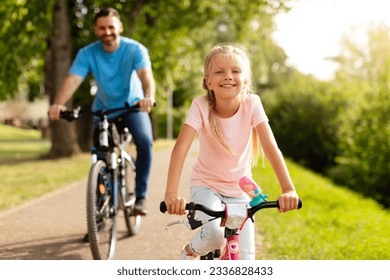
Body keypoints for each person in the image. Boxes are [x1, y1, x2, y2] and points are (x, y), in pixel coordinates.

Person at [163, 43, 299, 260]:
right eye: (219, 71)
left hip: (240, 190)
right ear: (208, 82)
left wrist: (288, 189)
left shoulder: (252, 104)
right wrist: (171, 194)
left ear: (245, 80)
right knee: (215, 236)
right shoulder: (200, 106)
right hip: (206, 186)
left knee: (246, 259)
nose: (228, 76)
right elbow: (181, 148)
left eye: (235, 71)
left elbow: (270, 147)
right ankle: (190, 251)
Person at [48, 7, 155, 215]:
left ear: (120, 27)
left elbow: (146, 75)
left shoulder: (135, 49)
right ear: (96, 30)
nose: (107, 32)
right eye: (102, 28)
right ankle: (100, 213)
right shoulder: (87, 53)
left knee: (144, 140)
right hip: (104, 109)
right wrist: (58, 103)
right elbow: (73, 80)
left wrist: (148, 96)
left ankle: (141, 196)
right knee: (99, 156)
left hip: (133, 105)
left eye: (111, 27)